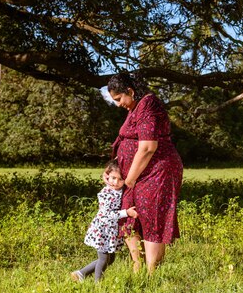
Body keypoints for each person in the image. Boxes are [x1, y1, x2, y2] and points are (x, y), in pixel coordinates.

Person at [107, 71, 183, 274]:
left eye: (118, 98)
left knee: (152, 217)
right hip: (135, 173)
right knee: (128, 215)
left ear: (130, 91)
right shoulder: (134, 108)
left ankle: (151, 274)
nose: (117, 104)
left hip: (157, 171)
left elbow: (148, 147)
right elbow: (128, 141)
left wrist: (129, 180)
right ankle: (137, 266)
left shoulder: (149, 104)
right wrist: (113, 170)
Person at [71, 160, 138, 282]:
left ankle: (80, 274)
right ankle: (98, 285)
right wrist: (126, 213)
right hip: (103, 230)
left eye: (120, 179)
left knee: (110, 259)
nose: (116, 182)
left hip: (111, 231)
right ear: (107, 176)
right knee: (103, 259)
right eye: (113, 178)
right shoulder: (106, 193)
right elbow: (107, 214)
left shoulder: (120, 190)